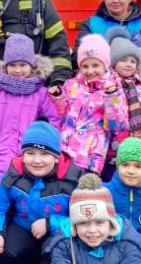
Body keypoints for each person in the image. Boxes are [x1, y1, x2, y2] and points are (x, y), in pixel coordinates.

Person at [0, 121, 82, 264]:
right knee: (7, 248)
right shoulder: (13, 174)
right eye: (30, 153)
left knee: (60, 248)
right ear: (23, 156)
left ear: (56, 157)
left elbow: (82, 219)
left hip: (57, 231)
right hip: (24, 228)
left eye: (44, 154)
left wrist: (49, 223)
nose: (37, 160)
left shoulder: (74, 180)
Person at [0, 34, 59, 188]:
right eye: (12, 65)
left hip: (29, 154)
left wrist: (41, 147)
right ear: (5, 66)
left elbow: (52, 122)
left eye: (22, 65)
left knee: (24, 190)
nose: (17, 70)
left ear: (31, 66)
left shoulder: (40, 93)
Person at [50, 34, 127, 175]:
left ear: (105, 65)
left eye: (95, 65)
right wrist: (58, 97)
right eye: (85, 66)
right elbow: (60, 115)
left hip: (89, 158)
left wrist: (111, 97)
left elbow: (116, 126)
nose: (90, 71)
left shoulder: (113, 89)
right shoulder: (71, 85)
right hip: (62, 153)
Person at [106, 31, 141, 147]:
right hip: (112, 143)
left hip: (138, 140)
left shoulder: (139, 86)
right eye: (123, 60)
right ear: (113, 63)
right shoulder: (107, 86)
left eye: (133, 61)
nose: (129, 64)